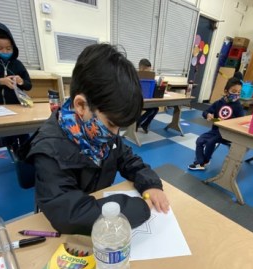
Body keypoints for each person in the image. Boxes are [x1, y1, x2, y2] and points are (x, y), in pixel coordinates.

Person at [27, 44, 170, 235]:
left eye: (119, 127)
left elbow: (129, 161)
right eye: (111, 123)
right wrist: (139, 208)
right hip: (69, 232)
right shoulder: (49, 150)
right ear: (81, 106)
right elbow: (71, 214)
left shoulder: (104, 136)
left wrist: (150, 183)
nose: (115, 133)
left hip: (96, 215)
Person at [188, 77, 245, 171]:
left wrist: (228, 123)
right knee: (199, 140)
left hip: (228, 134)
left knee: (211, 142)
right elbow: (205, 112)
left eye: (239, 92)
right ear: (226, 91)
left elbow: (240, 121)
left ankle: (202, 162)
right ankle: (202, 160)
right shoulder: (219, 103)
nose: (236, 94)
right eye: (234, 91)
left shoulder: (238, 106)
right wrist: (208, 115)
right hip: (216, 131)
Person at [0, 21, 32, 104]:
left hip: (17, 104)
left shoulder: (17, 64)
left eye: (8, 48)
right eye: (0, 48)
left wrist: (21, 81)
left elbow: (29, 85)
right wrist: (1, 81)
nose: (5, 52)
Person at [136, 58, 159, 133]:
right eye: (147, 71)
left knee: (156, 108)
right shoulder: (135, 76)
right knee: (151, 109)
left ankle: (145, 124)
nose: (148, 73)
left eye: (149, 71)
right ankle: (137, 123)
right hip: (136, 101)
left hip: (146, 99)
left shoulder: (149, 78)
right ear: (141, 68)